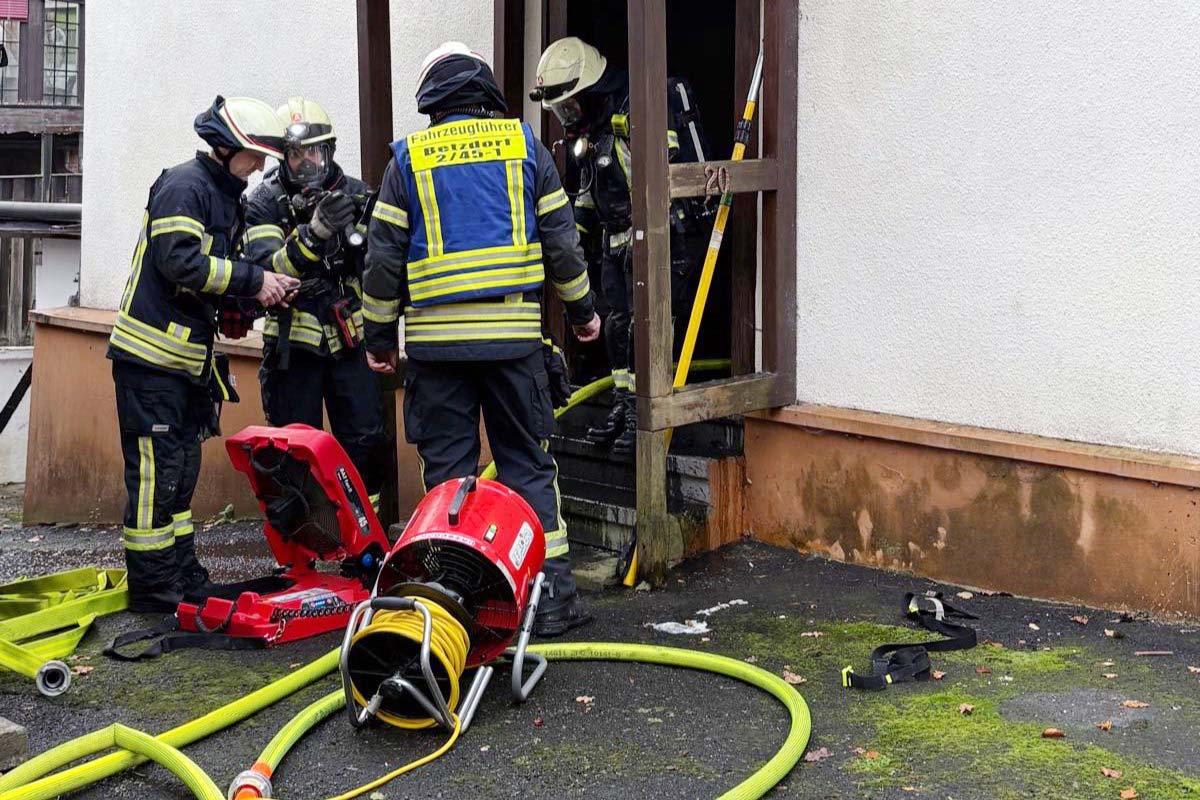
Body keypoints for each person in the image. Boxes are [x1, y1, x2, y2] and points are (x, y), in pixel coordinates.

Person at [363, 42, 601, 637]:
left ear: (432, 99)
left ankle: (449, 608)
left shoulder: (407, 162)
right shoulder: (526, 148)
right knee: (526, 467)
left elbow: (382, 259)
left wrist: (378, 337)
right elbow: (563, 245)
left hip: (435, 355)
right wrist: (584, 312)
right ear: (485, 91)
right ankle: (548, 603)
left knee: (448, 479)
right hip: (514, 346)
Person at [108, 96, 299, 612]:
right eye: (253, 156)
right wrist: (253, 281)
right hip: (150, 362)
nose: (259, 167)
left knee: (181, 471)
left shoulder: (222, 195)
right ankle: (151, 586)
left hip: (185, 364)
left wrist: (241, 299)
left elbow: (212, 272)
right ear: (226, 146)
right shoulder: (185, 186)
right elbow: (180, 262)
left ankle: (181, 573)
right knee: (154, 476)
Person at [532, 37, 711, 455]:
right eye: (560, 109)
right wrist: (569, 237)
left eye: (569, 106)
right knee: (615, 324)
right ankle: (626, 405)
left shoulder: (642, 109)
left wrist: (647, 229)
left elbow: (671, 176)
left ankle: (649, 413)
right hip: (617, 244)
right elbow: (590, 193)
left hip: (662, 239)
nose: (566, 116)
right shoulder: (592, 131)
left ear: (591, 90)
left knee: (646, 327)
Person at [241, 97, 390, 512]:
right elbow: (270, 268)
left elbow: (378, 264)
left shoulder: (356, 194)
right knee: (292, 448)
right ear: (283, 157)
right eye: (294, 154)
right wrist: (315, 231)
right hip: (293, 349)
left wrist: (357, 229)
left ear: (329, 151)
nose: (304, 162)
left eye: (313, 151)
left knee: (364, 442)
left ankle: (362, 546)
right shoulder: (265, 202)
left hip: (350, 342)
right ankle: (300, 550)